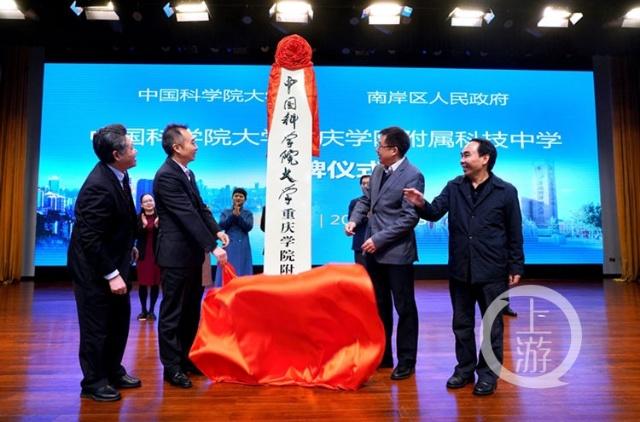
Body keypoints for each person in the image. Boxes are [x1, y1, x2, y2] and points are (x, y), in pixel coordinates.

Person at [403, 138, 524, 396]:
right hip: (460, 268)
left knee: (492, 326)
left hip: (492, 269)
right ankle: (465, 369)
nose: (462, 160)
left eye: (467, 155)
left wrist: (516, 265)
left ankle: (488, 375)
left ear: (485, 159)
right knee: (462, 324)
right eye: (461, 155)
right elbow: (434, 212)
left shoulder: (505, 191)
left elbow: (515, 231)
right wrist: (420, 203)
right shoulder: (454, 186)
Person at [67, 124, 141, 402]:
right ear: (116, 154)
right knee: (96, 326)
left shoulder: (120, 174)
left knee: (118, 321)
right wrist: (111, 274)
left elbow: (119, 221)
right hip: (94, 270)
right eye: (131, 147)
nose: (136, 151)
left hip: (116, 259)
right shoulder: (98, 185)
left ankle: (112, 370)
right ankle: (94, 381)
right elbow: (89, 238)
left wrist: (130, 246)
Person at [345, 126, 424, 381]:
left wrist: (378, 239)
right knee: (380, 306)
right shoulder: (379, 170)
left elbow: (409, 218)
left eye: (380, 145)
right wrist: (354, 220)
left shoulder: (413, 175)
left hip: (397, 253)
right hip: (374, 253)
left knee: (404, 307)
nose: (377, 150)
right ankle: (384, 355)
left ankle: (407, 361)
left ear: (394, 150)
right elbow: (366, 201)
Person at [153, 123, 229, 389]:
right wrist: (212, 246)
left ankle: (186, 359)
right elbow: (186, 215)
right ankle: (171, 367)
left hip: (191, 256)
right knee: (172, 313)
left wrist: (217, 230)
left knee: (190, 311)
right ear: (177, 147)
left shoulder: (187, 173)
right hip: (175, 256)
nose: (196, 146)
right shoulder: (166, 175)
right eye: (192, 141)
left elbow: (199, 208)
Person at [214, 187, 254, 286]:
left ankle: (243, 289)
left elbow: (248, 227)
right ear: (232, 198)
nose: (238, 198)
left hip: (243, 244)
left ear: (245, 199)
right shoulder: (225, 212)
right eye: (236, 196)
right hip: (228, 244)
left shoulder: (248, 213)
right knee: (227, 266)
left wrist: (238, 216)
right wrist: (232, 215)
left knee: (243, 266)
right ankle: (224, 288)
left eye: (241, 196)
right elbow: (221, 226)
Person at [135, 193, 160, 321]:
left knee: (155, 283)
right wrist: (144, 226)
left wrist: (157, 226)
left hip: (157, 255)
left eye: (150, 200)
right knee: (143, 284)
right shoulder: (138, 217)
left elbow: (165, 234)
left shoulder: (160, 217)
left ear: (154, 202)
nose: (149, 203)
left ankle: (151, 311)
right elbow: (134, 234)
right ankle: (143, 311)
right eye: (145, 201)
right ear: (141, 205)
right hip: (143, 255)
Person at [347, 175, 371, 266]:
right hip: (360, 243)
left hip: (377, 244)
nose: (366, 186)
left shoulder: (381, 201)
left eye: (368, 183)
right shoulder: (355, 202)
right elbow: (351, 220)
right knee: (361, 272)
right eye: (363, 183)